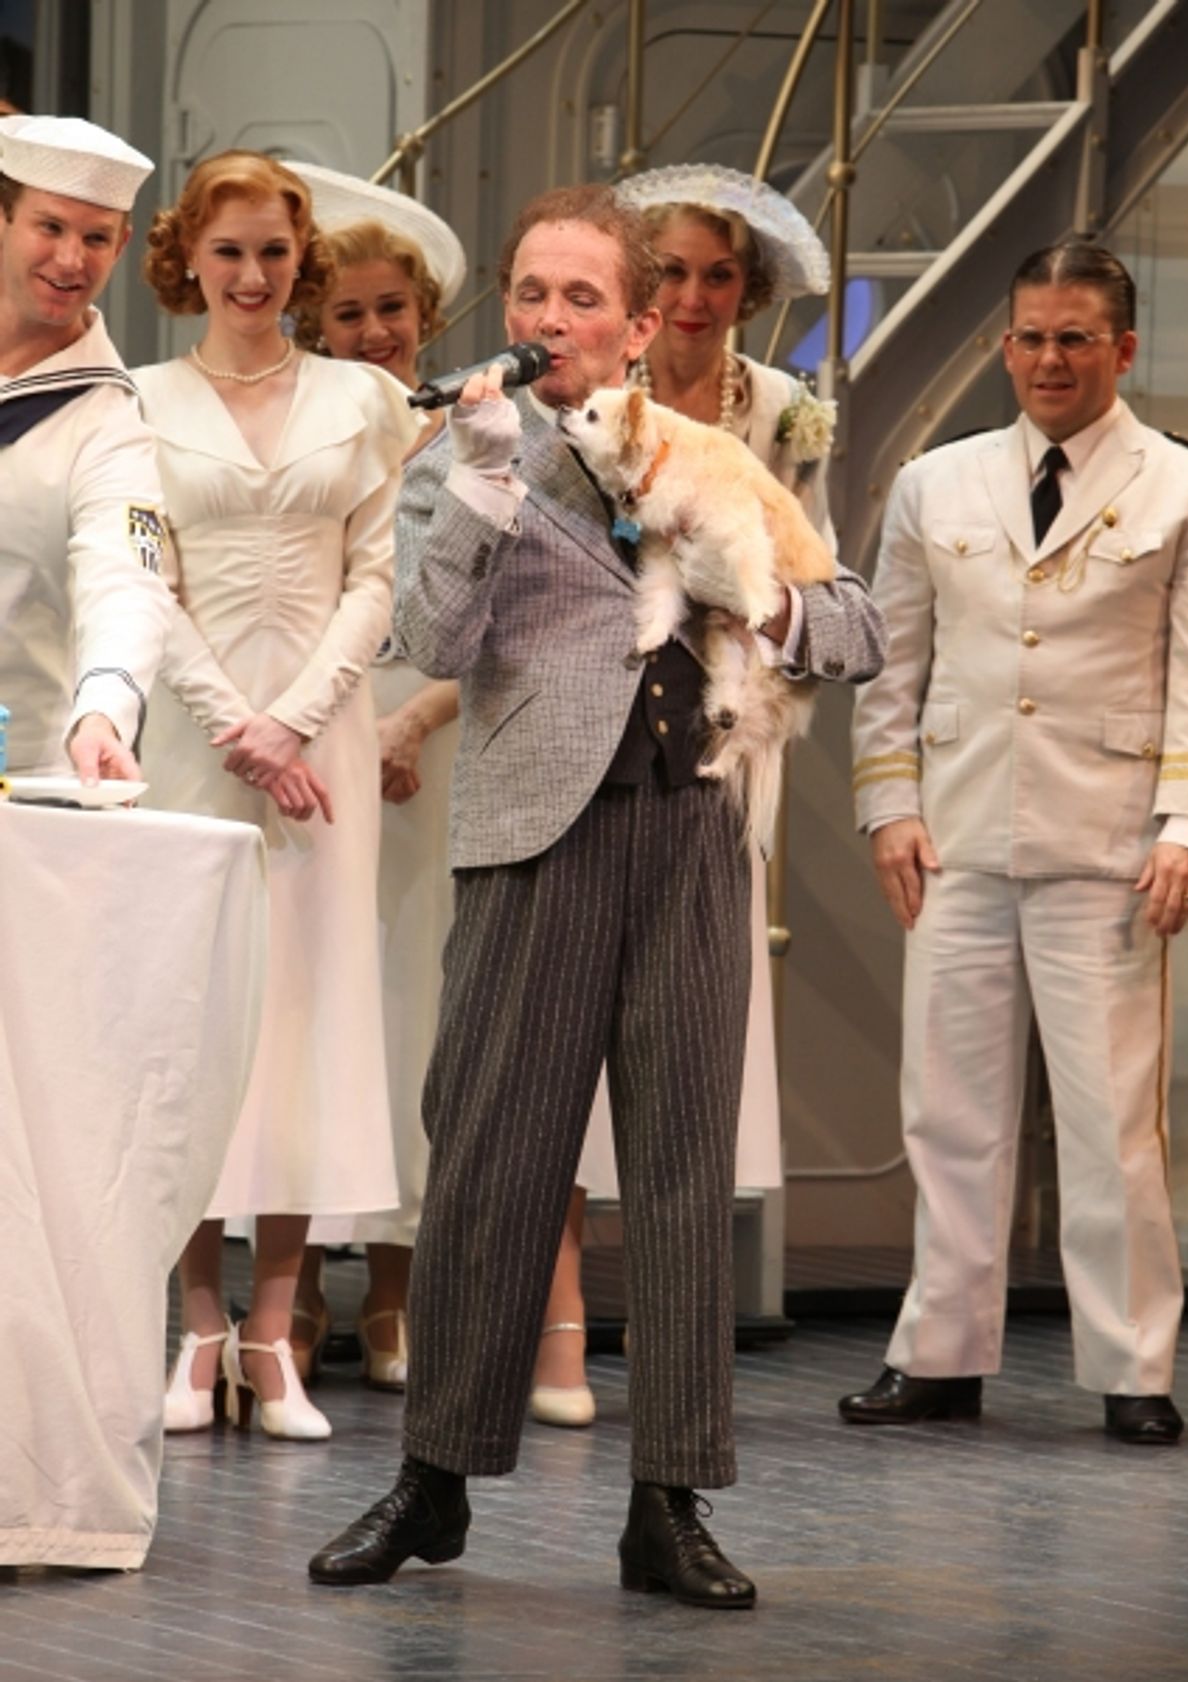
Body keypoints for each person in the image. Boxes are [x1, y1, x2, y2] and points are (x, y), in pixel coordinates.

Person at [308, 182, 886, 1608]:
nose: (547, 320)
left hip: (690, 830)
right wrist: (493, 485)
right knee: (494, 1158)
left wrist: (769, 607)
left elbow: (854, 618)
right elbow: (430, 634)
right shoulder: (467, 452)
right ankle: (434, 1478)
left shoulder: (725, 451)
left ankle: (670, 1497)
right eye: (529, 293)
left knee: (685, 1170)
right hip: (534, 836)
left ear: (638, 326)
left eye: (580, 299)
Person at [843, 240, 1188, 1445]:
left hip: (1105, 843)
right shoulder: (935, 483)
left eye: (1075, 339)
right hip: (958, 833)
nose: (1050, 359)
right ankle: (939, 1352)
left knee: (1111, 1122)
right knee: (948, 1111)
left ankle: (1135, 1366)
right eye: (1032, 338)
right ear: (1005, 345)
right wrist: (889, 802)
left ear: (1123, 350)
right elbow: (892, 664)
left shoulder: (1179, 486)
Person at [529, 163, 839, 1427]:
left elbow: (817, 577)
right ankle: (534, 1357)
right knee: (531, 1097)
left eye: (722, 276)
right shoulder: (576, 410)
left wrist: (759, 610)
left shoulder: (786, 411)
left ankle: (676, 1421)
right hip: (572, 744)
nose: (700, 297)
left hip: (716, 713)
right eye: (677, 276)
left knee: (684, 1105)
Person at [137, 151, 418, 1441]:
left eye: (274, 254)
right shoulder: (132, 402)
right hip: (192, 740)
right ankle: (198, 1324)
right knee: (192, 1015)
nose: (253, 277)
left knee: (307, 1012)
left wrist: (295, 719)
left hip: (325, 737)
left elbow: (377, 576)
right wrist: (232, 728)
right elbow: (143, 582)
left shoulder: (361, 398)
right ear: (188, 259)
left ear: (301, 264)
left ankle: (275, 1326)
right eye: (230, 252)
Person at [287, 160, 467, 1390]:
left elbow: (514, 608)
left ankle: (397, 1289)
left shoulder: (475, 430)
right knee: (301, 1010)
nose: (371, 333)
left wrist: (411, 721)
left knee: (417, 1022)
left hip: (445, 754)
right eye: (345, 314)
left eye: (389, 311)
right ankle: (286, 1289)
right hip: (312, 751)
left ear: (427, 317)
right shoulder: (294, 425)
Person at [0, 113, 170, 779]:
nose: (71, 260)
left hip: (21, 770)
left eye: (96, 237)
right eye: (50, 227)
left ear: (123, 244)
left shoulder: (109, 418)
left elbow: (127, 575)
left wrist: (103, 707)